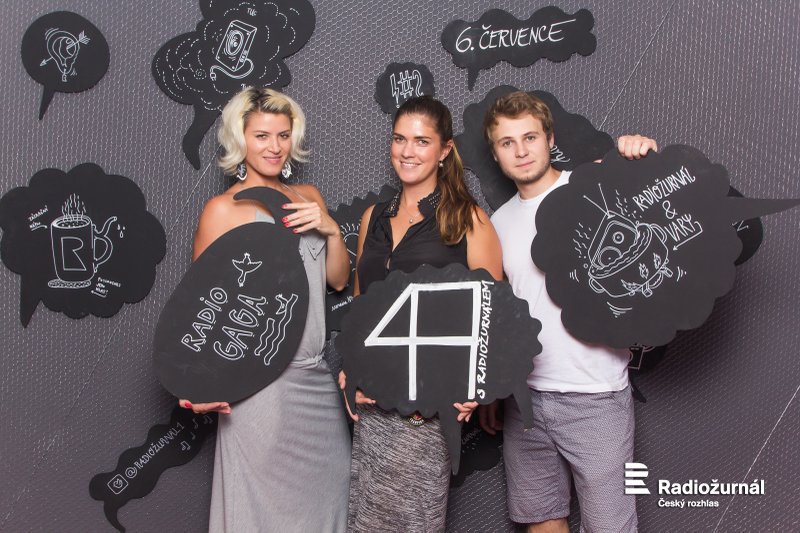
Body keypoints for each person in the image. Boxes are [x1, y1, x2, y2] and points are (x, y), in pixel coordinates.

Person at [479, 91, 658, 533]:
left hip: (595, 396)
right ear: (495, 154)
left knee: (611, 527)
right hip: (525, 401)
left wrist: (642, 154)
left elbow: (659, 197)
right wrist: (495, 390)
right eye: (507, 142)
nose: (521, 151)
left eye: (530, 137)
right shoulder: (497, 224)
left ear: (549, 138)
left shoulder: (593, 187)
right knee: (541, 524)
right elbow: (499, 314)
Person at [179, 87, 351, 532]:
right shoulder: (221, 212)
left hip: (315, 381)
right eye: (261, 136)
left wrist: (332, 230)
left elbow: (337, 280)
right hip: (258, 389)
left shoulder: (307, 196)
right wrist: (193, 383)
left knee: (330, 506)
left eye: (283, 135)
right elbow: (200, 310)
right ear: (241, 139)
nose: (274, 147)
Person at [340, 96, 504, 532]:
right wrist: (349, 372)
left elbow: (495, 315)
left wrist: (479, 386)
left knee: (413, 520)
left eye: (421, 141)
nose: (407, 151)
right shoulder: (374, 218)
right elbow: (361, 306)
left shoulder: (467, 220)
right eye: (399, 139)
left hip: (428, 406)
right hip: (373, 401)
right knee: (367, 520)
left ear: (445, 150)